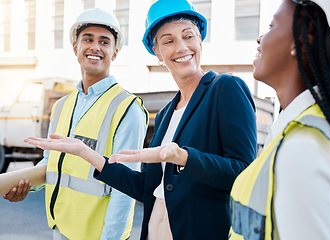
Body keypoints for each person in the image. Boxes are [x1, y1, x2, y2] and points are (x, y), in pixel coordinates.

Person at [24, 0, 257, 239]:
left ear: (200, 40)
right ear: (156, 52)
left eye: (188, 36)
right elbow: (147, 188)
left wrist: (184, 157)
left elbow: (245, 173)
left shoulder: (225, 88)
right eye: (168, 41)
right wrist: (86, 153)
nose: (181, 47)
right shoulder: (167, 113)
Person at [3, 8, 148, 240]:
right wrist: (26, 185)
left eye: (104, 41)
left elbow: (125, 189)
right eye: (88, 39)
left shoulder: (127, 108)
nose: (95, 47)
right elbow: (52, 164)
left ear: (115, 52)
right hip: (60, 229)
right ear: (75, 47)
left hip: (99, 235)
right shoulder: (61, 106)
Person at [230, 0, 330, 239]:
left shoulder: (304, 147)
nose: (260, 38)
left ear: (301, 39)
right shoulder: (301, 130)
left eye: (271, 26)